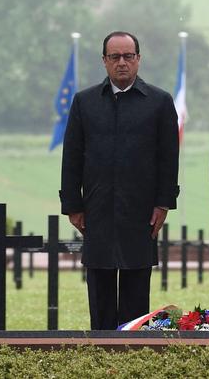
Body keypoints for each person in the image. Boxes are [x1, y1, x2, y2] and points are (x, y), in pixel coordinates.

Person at [60, 31, 179, 330]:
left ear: (139, 59)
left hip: (141, 211)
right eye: (115, 57)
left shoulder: (160, 102)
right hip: (96, 210)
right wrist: (73, 206)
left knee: (136, 290)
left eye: (128, 56)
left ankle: (132, 351)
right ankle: (100, 351)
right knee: (99, 287)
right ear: (104, 61)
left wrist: (163, 203)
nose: (122, 62)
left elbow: (168, 159)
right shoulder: (85, 102)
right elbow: (72, 157)